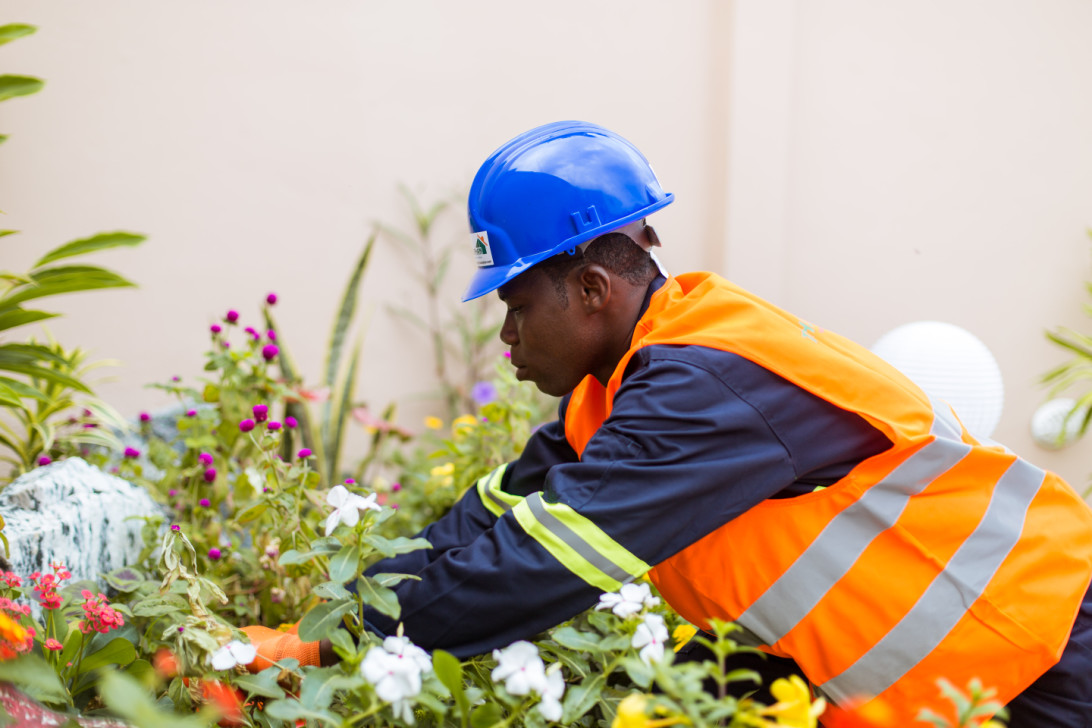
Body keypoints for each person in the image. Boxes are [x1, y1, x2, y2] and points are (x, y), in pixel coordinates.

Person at [246, 121, 1092, 726]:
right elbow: (484, 526)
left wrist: (332, 649)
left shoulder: (702, 388)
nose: (505, 336)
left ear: (592, 291)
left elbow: (531, 566)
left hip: (1052, 649)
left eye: (515, 305)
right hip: (979, 669)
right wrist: (315, 625)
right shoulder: (622, 394)